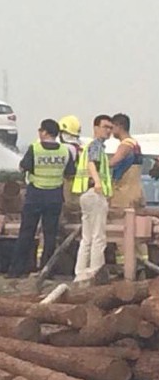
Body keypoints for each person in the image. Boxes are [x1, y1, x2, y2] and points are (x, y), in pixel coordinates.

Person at [7, 119, 75, 278]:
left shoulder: (35, 148)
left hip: (35, 196)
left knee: (26, 233)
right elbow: (70, 172)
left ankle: (17, 270)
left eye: (40, 130)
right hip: (55, 197)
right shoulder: (65, 151)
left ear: (45, 132)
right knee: (50, 235)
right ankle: (47, 270)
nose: (39, 132)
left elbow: (24, 166)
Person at [72, 114, 113, 283]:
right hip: (94, 193)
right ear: (95, 128)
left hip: (85, 194)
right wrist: (97, 182)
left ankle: (80, 275)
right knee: (98, 237)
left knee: (87, 238)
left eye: (110, 128)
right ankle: (95, 273)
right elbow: (91, 163)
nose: (108, 131)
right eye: (105, 127)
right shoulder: (96, 145)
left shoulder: (89, 145)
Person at [109, 113, 145, 210]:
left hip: (125, 194)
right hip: (136, 191)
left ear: (119, 126)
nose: (110, 131)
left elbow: (112, 163)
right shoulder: (134, 143)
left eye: (112, 127)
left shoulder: (126, 145)